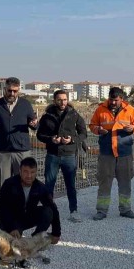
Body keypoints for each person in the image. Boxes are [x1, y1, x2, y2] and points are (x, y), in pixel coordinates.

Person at [89, 87, 134, 220]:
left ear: (122, 99)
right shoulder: (100, 109)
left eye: (116, 100)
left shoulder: (130, 110)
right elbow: (92, 125)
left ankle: (125, 209)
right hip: (106, 153)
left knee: (125, 182)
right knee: (104, 182)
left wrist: (133, 128)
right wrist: (98, 129)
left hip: (124, 153)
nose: (113, 103)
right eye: (111, 100)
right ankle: (102, 210)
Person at [36, 89, 87, 223]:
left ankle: (73, 211)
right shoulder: (47, 116)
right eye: (59, 100)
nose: (63, 102)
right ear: (54, 100)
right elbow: (39, 135)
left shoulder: (74, 114)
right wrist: (51, 139)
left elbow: (83, 133)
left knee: (70, 185)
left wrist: (72, 140)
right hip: (52, 155)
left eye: (65, 99)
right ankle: (49, 211)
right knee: (49, 185)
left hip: (69, 155)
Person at [0, 157, 61, 253]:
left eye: (32, 172)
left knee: (48, 212)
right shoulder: (9, 184)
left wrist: (56, 233)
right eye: (26, 172)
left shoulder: (40, 187)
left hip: (26, 216)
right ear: (20, 171)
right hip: (10, 219)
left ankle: (36, 239)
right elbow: (3, 209)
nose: (29, 176)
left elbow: (53, 209)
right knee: (13, 246)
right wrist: (12, 227)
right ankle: (12, 233)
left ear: (36, 172)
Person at [0, 77, 38, 188]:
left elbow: (34, 123)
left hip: (22, 151)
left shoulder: (25, 104)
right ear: (5, 89)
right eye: (9, 91)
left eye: (15, 91)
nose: (12, 93)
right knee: (4, 185)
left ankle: (23, 205)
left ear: (19, 90)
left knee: (25, 183)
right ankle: (6, 206)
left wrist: (34, 124)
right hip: (3, 150)